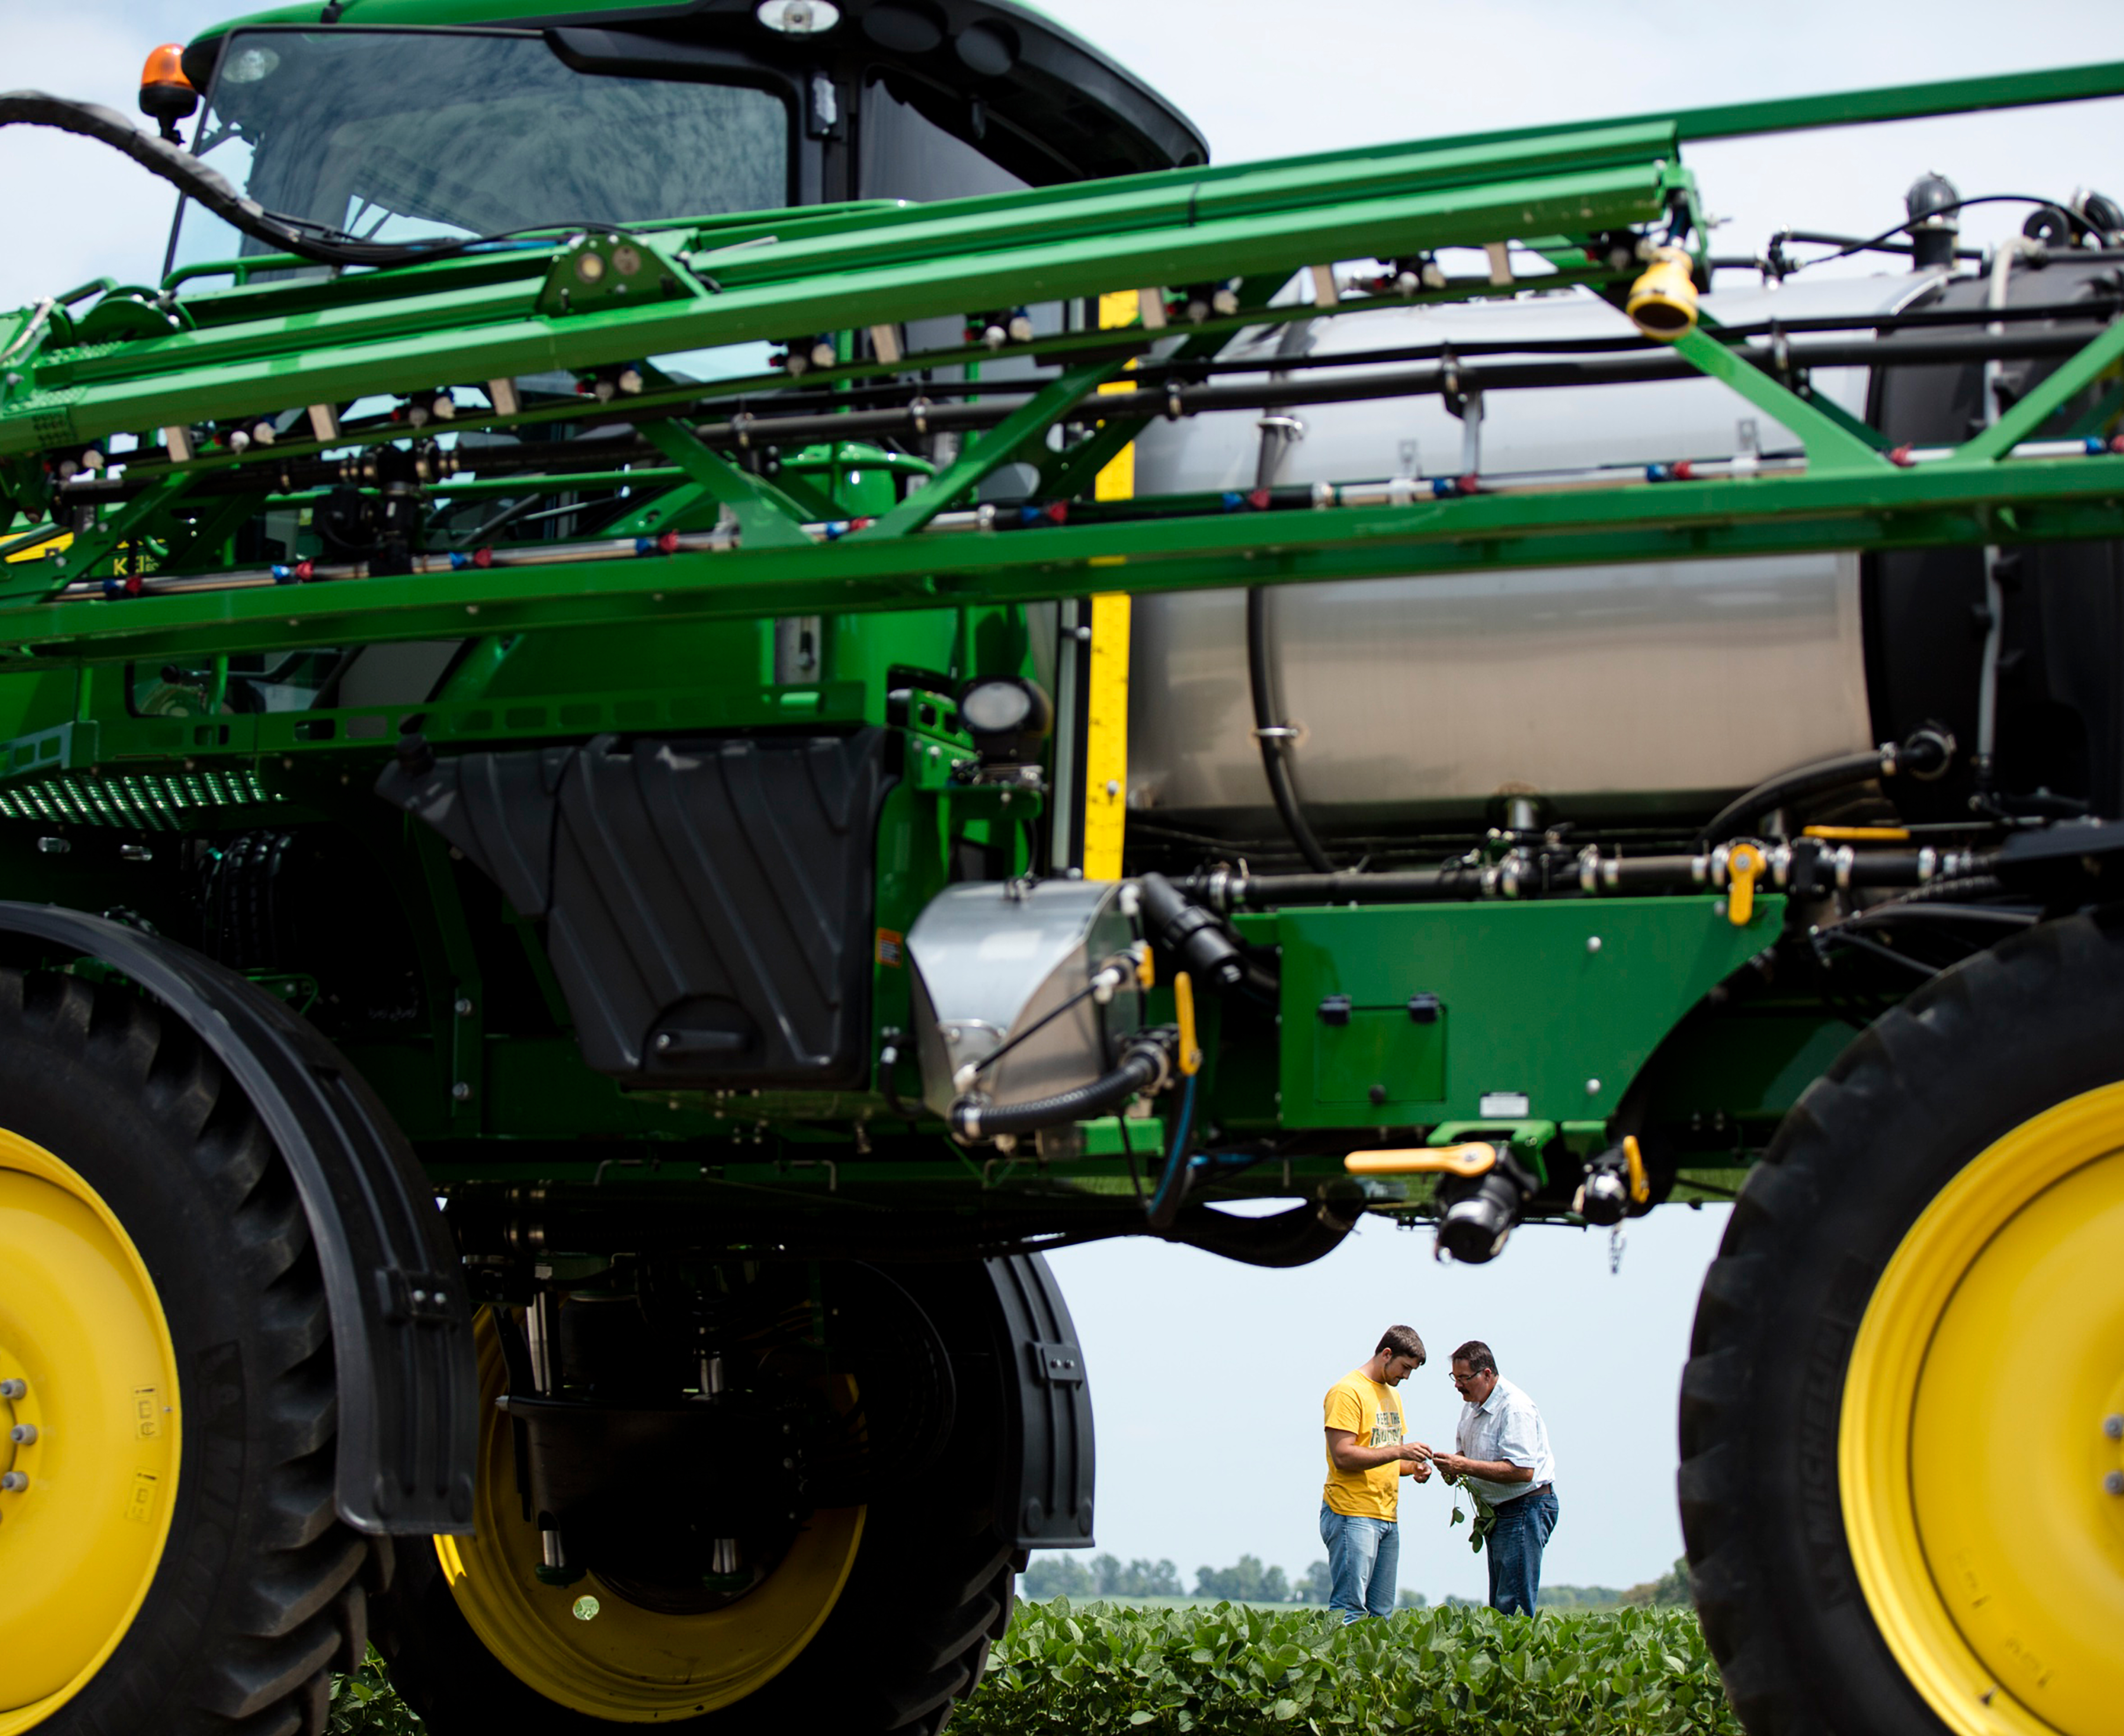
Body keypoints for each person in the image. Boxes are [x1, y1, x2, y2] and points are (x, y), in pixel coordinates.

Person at [1419, 1340, 1557, 1617]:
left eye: (1463, 1378)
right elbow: (1466, 1454)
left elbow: (1522, 1471)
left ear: (1486, 1374)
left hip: (1525, 1508)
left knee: (1512, 1605)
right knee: (1500, 1603)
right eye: (1454, 1378)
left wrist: (1465, 1465)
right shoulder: (1472, 1405)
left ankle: (1517, 1659)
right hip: (1498, 1511)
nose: (1457, 1385)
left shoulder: (1514, 1407)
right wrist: (1453, 1467)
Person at [1319, 1325, 1433, 1623]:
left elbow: (1386, 1458)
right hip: (1352, 1513)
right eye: (1404, 1367)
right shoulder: (1347, 1391)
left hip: (1386, 1515)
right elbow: (1343, 1455)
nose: (1406, 1376)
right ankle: (1341, 1669)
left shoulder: (1391, 1396)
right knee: (1350, 1609)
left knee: (1381, 1614)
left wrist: (1414, 1467)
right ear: (1386, 1354)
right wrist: (1400, 1452)